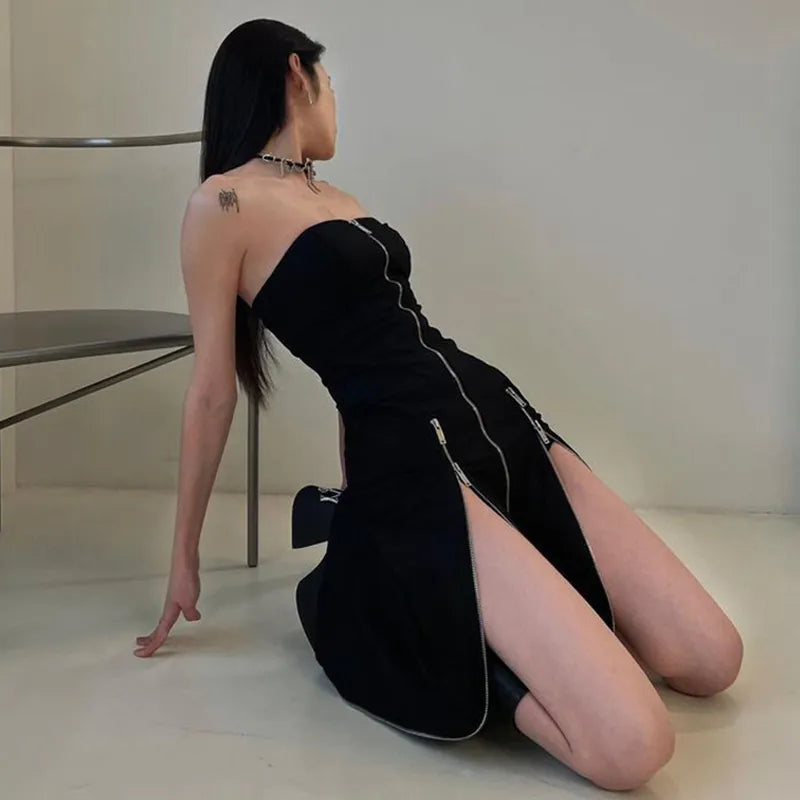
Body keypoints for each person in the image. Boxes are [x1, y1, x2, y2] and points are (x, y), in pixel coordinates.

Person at [133, 19, 743, 792]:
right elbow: (214, 390)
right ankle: (466, 642)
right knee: (632, 749)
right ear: (296, 72)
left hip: (498, 413)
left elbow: (392, 326)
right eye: (330, 83)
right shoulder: (222, 203)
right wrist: (183, 558)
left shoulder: (332, 196)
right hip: (414, 455)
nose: (335, 104)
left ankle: (469, 586)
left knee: (712, 661)